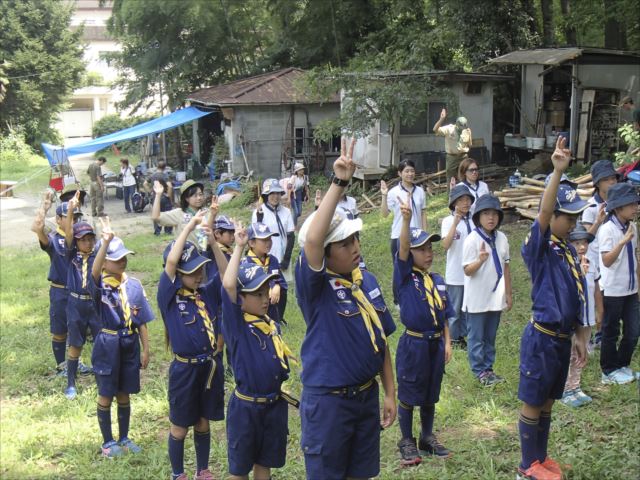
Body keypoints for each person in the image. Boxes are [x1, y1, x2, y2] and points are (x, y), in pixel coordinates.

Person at [295, 138, 397, 480]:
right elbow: (312, 241)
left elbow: (380, 340)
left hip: (365, 399)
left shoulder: (364, 281)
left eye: (356, 240)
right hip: (329, 405)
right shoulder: (317, 289)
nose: (354, 248)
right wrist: (339, 183)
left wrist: (390, 393)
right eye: (343, 243)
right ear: (325, 253)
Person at [517, 136, 591, 480]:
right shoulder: (541, 249)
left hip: (561, 340)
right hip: (542, 339)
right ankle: (526, 464)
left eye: (577, 216)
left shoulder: (569, 251)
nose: (574, 223)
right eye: (568, 217)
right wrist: (556, 172)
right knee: (533, 400)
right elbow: (544, 214)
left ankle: (541, 458)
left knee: (548, 402)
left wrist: (579, 335)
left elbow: (577, 297)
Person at [157, 210, 228, 480]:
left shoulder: (206, 293)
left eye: (200, 269)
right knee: (179, 427)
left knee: (202, 421)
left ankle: (203, 469)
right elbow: (172, 263)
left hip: (208, 368)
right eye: (192, 272)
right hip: (184, 371)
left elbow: (224, 272)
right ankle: (179, 473)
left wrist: (212, 244)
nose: (199, 275)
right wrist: (188, 228)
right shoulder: (170, 298)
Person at [222, 222, 295, 480]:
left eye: (266, 291)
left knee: (265, 464)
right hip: (246, 409)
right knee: (240, 469)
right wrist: (240, 247)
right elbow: (229, 285)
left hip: (273, 406)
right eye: (257, 293)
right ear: (241, 299)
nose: (265, 298)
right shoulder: (237, 327)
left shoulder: (270, 324)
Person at [394, 193, 453, 466]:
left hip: (435, 344)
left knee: (431, 391)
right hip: (414, 345)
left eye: (430, 248)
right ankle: (407, 439)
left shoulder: (438, 280)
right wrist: (406, 221)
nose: (428, 254)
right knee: (409, 392)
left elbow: (445, 315)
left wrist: (448, 342)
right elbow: (403, 249)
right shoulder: (406, 278)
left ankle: (427, 436)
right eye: (422, 249)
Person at [89, 221, 153, 457]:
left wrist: (146, 349)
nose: (122, 261)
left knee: (124, 391)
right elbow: (93, 273)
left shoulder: (133, 285)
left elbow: (142, 320)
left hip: (129, 343)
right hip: (108, 344)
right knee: (106, 391)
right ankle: (107, 442)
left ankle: (124, 437)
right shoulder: (100, 287)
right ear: (105, 261)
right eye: (116, 258)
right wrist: (105, 243)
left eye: (124, 257)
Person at [31, 192, 83, 375]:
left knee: (76, 329)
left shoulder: (80, 238)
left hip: (77, 292)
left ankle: (75, 363)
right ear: (58, 220)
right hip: (60, 292)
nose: (74, 220)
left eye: (76, 217)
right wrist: (44, 207)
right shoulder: (53, 239)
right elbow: (37, 227)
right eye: (70, 217)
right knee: (60, 330)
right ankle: (62, 366)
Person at [462, 194, 512, 386]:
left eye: (494, 214)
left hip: (495, 296)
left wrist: (508, 293)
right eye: (486, 214)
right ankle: (479, 371)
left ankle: (489, 368)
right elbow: (467, 270)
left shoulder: (502, 239)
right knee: (476, 336)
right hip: (477, 298)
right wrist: (480, 260)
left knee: (490, 335)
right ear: (478, 217)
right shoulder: (472, 240)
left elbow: (506, 266)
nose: (490, 218)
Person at [598, 182, 640, 384]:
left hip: (631, 289)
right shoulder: (607, 230)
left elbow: (636, 257)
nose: (635, 207)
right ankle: (608, 370)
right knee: (611, 331)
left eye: (635, 203)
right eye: (631, 204)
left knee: (633, 331)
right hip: (613, 289)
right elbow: (606, 260)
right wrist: (623, 241)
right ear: (618, 207)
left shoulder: (633, 227)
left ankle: (622, 365)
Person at [63, 192, 102, 399]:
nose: (87, 243)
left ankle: (101, 379)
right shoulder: (72, 255)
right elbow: (69, 232)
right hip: (76, 304)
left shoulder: (97, 256)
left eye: (90, 239)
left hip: (94, 304)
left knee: (99, 341)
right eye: (83, 240)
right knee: (75, 343)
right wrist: (70, 209)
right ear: (76, 243)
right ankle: (71, 383)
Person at [560, 224, 600, 407]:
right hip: (573, 317)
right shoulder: (566, 264)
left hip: (588, 317)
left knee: (582, 351)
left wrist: (600, 310)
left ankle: (575, 386)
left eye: (584, 242)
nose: (582, 247)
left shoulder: (591, 261)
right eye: (577, 243)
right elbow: (569, 291)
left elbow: (596, 288)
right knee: (570, 352)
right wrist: (580, 274)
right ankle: (565, 388)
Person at [441, 184, 475, 348]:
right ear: (454, 203)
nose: (465, 203)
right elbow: (445, 245)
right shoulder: (448, 221)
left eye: (468, 199)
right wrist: (455, 223)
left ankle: (463, 336)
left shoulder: (475, 221)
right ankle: (453, 338)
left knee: (467, 307)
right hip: (455, 273)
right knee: (454, 308)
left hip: (472, 272)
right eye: (461, 200)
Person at [380, 159, 427, 261]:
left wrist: (425, 235)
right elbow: (384, 214)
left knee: (418, 271)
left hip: (417, 236)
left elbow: (423, 213)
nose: (410, 174)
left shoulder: (420, 191)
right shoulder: (393, 192)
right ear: (400, 173)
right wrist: (384, 195)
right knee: (401, 271)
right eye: (406, 171)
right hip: (399, 236)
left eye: (412, 171)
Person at [243, 223, 288, 324]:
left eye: (269, 239)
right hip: (254, 316)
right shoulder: (246, 263)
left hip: (273, 311)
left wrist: (277, 285)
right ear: (251, 243)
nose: (268, 243)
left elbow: (282, 283)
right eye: (264, 240)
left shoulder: (273, 260)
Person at [152, 179, 215, 251]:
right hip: (187, 257)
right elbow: (156, 217)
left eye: (200, 194)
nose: (199, 198)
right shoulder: (179, 213)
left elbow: (210, 233)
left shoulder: (207, 212)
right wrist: (158, 195)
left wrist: (213, 215)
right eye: (195, 196)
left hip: (206, 254)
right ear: (186, 198)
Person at [251, 179, 295, 271]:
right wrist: (259, 218)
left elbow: (291, 237)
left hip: (283, 257)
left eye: (278, 193)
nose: (276, 196)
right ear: (266, 195)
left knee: (283, 284)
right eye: (272, 193)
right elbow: (256, 237)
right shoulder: (259, 212)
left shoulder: (286, 212)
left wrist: (286, 259)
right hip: (266, 259)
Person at [433, 108, 472, 184]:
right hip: (452, 157)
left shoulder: (467, 130)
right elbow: (435, 130)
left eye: (464, 127)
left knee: (465, 177)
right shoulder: (449, 129)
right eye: (461, 127)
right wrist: (442, 119)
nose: (462, 129)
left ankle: (464, 194)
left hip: (463, 156)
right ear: (456, 125)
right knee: (451, 179)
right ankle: (450, 195)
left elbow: (470, 144)